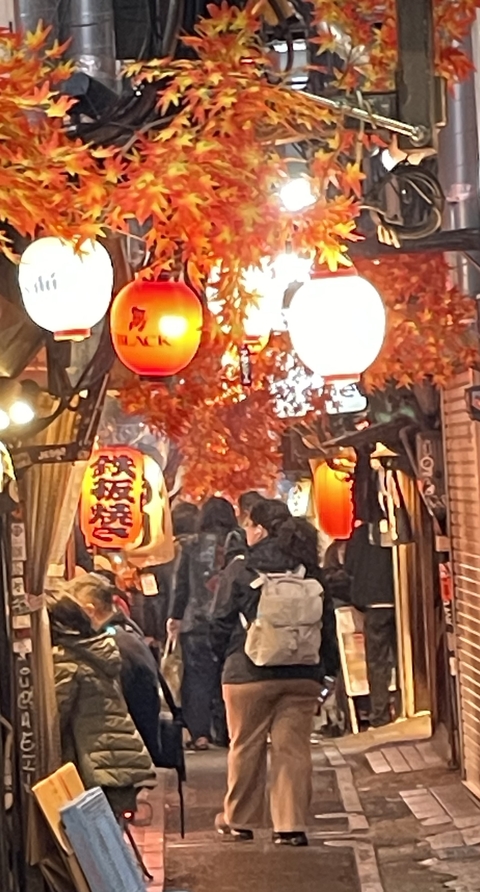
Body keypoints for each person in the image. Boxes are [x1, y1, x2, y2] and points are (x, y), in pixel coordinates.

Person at [210, 499, 323, 847]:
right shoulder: (307, 567)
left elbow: (218, 621)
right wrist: (325, 671)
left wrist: (224, 659)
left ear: (259, 529)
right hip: (302, 672)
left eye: (248, 526)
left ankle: (240, 821)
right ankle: (290, 826)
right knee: (293, 750)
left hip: (247, 672)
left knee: (245, 745)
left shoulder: (242, 567)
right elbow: (326, 621)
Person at [48, 588, 156, 815]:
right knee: (109, 833)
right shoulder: (98, 649)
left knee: (94, 840)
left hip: (96, 767)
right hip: (116, 761)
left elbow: (53, 722)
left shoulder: (67, 661)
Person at [67, 573, 162, 764]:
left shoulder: (110, 649)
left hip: (122, 757)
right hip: (136, 752)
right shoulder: (128, 633)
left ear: (89, 610)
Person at [167, 496, 237, 750]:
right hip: (229, 622)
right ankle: (227, 730)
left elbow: (181, 586)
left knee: (197, 678)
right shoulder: (236, 541)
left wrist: (174, 617)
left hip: (195, 621)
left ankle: (200, 733)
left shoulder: (191, 545)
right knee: (226, 676)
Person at [344, 520, 397, 728]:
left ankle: (380, 714)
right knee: (405, 656)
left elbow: (349, 567)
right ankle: (402, 703)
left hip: (373, 603)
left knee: (377, 661)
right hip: (402, 599)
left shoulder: (361, 534)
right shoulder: (398, 524)